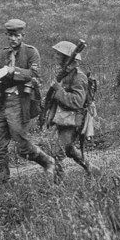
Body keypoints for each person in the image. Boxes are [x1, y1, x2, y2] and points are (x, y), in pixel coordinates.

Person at [0, 19, 55, 183]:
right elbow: (1, 74)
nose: (13, 39)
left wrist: (12, 70)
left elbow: (34, 75)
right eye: (10, 36)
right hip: (1, 103)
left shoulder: (31, 52)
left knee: (22, 145)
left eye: (16, 36)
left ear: (22, 35)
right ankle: (3, 181)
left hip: (19, 103)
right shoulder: (4, 54)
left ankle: (47, 161)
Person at [46, 41, 99, 182]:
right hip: (63, 117)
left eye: (59, 54)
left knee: (58, 153)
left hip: (74, 120)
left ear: (66, 57)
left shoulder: (78, 77)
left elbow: (77, 102)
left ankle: (59, 185)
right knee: (68, 149)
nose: (55, 56)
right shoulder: (64, 74)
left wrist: (58, 90)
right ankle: (90, 167)